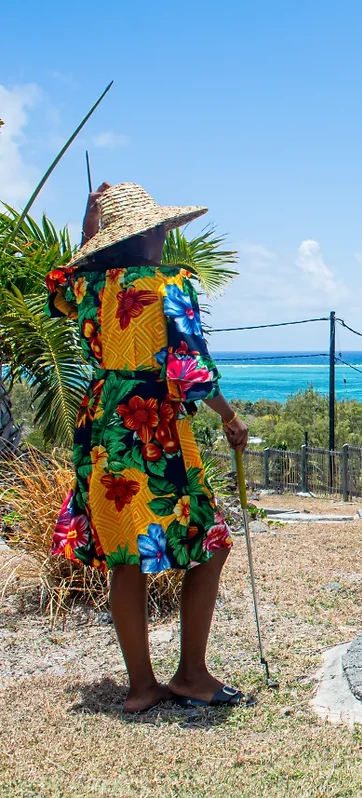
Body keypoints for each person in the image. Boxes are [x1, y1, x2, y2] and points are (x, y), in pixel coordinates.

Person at [46, 182, 252, 713]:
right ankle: (191, 675)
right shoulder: (171, 283)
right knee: (212, 543)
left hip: (104, 426)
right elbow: (190, 370)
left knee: (126, 557)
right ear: (151, 233)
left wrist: (88, 226)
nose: (165, 236)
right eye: (160, 228)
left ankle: (141, 687)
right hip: (153, 425)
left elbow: (61, 288)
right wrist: (229, 417)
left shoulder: (90, 286)